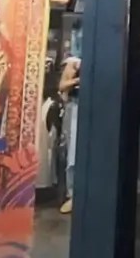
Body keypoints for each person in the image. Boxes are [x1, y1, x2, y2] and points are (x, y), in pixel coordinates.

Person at [58, 55, 81, 214]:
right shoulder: (74, 63)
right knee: (72, 153)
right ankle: (72, 194)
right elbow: (62, 86)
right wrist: (78, 80)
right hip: (75, 109)